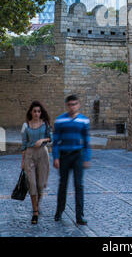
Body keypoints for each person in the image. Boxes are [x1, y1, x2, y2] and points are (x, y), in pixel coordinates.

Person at [52, 94, 91, 225]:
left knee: (78, 185)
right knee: (63, 184)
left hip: (78, 155)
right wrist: (55, 157)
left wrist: (86, 158)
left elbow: (86, 141)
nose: (72, 107)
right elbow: (55, 141)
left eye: (74, 104)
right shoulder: (59, 121)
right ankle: (59, 212)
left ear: (78, 105)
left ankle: (79, 216)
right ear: (66, 105)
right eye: (70, 104)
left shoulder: (84, 121)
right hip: (64, 155)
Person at [21, 101, 52, 224]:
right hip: (29, 155)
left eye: (39, 111)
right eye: (34, 111)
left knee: (40, 185)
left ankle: (37, 205)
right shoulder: (25, 125)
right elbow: (23, 144)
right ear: (30, 112)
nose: (37, 113)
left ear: (41, 112)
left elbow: (51, 137)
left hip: (43, 154)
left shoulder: (45, 124)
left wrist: (42, 140)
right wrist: (22, 161)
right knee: (32, 184)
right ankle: (35, 212)